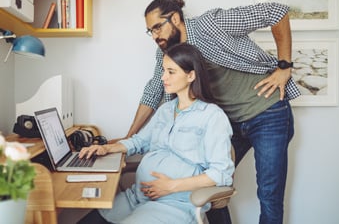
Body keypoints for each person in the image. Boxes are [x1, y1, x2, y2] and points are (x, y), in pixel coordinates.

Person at [117, 0, 301, 224]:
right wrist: (128, 137)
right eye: (150, 31)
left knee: (269, 194)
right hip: (229, 120)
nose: (154, 36)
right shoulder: (165, 52)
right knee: (209, 183)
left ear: (174, 18)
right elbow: (154, 90)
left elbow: (277, 12)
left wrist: (284, 67)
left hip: (266, 112)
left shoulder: (212, 23)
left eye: (157, 28)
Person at [77, 43, 235, 224]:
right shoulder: (165, 110)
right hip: (137, 197)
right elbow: (138, 142)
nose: (163, 77)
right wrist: (107, 149)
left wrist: (171, 186)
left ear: (191, 75)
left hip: (175, 204)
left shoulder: (212, 116)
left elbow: (220, 173)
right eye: (163, 70)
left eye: (171, 71)